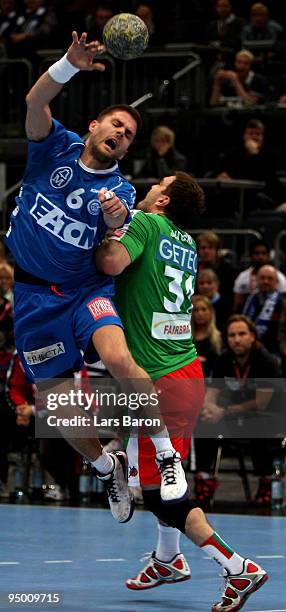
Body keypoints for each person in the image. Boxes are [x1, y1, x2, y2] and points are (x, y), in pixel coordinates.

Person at [5, 31, 186, 524]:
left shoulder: (122, 192)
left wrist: (111, 225)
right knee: (58, 408)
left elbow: (109, 254)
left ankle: (166, 452)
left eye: (128, 135)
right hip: (33, 297)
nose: (121, 135)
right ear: (93, 126)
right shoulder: (53, 149)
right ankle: (108, 465)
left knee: (119, 359)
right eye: (116, 125)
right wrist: (68, 64)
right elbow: (35, 99)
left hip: (86, 291)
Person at [96, 174, 268, 610]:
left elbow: (112, 264)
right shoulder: (185, 242)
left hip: (156, 380)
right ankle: (168, 558)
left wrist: (110, 230)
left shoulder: (149, 224)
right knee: (165, 480)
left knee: (159, 495)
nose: (150, 186)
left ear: (164, 198)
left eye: (158, 183)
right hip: (186, 370)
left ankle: (236, 567)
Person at [199, 314, 283, 509]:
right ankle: (204, 479)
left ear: (253, 336)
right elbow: (212, 392)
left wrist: (224, 411)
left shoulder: (266, 361)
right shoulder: (225, 359)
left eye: (242, 334)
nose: (236, 339)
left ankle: (265, 482)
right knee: (203, 421)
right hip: (234, 414)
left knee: (259, 425)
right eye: (232, 335)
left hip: (266, 415)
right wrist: (208, 407)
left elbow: (261, 403)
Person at [216, 118, 285, 209]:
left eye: (258, 134)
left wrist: (254, 153)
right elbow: (223, 171)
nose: (254, 137)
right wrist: (221, 175)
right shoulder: (235, 154)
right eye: (250, 133)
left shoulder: (269, 156)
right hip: (238, 198)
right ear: (244, 136)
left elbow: (260, 176)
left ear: (262, 138)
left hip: (267, 197)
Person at [242, 264, 286, 355]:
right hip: (248, 351)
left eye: (270, 279)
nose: (265, 281)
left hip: (275, 352)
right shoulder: (247, 301)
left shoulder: (283, 303)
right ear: (256, 280)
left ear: (276, 282)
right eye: (262, 278)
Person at [233, 238, 286, 313]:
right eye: (257, 253)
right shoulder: (242, 277)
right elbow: (237, 305)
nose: (260, 257)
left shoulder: (280, 278)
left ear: (269, 256)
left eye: (264, 253)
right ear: (251, 255)